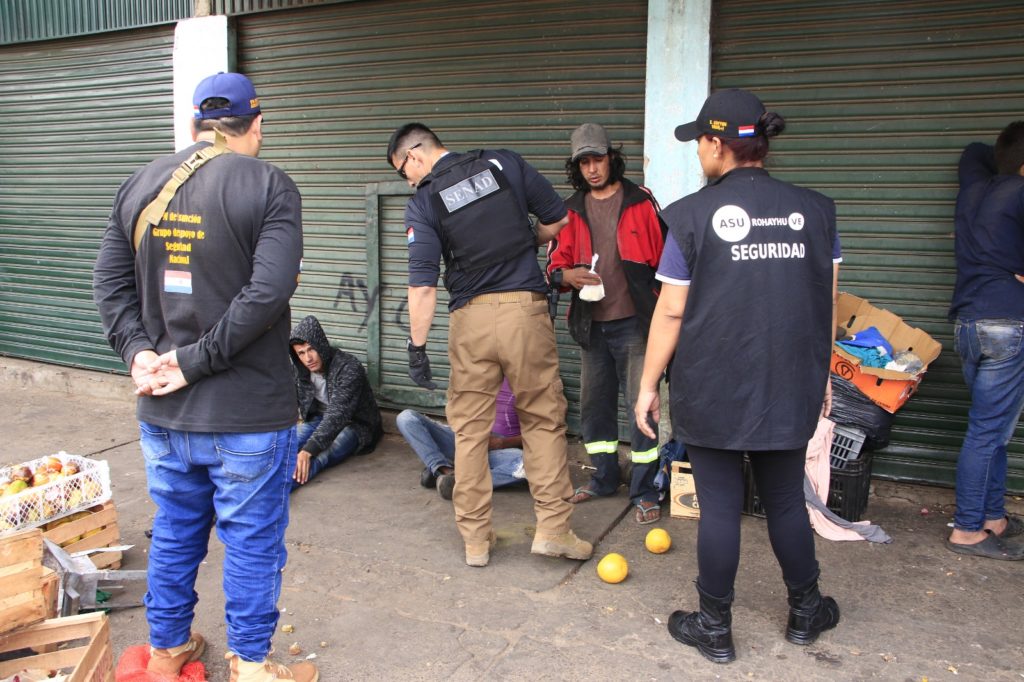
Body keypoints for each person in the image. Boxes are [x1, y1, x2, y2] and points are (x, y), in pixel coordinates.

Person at [93, 72, 317, 681]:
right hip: (247, 413)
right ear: (256, 124)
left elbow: (109, 285)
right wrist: (191, 362)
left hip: (162, 414)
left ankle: (166, 652)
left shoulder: (139, 184)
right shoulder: (270, 185)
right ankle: (249, 665)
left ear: (197, 125)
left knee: (173, 532)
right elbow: (268, 292)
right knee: (251, 544)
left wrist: (138, 352)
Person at [634, 89, 842, 664]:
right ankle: (806, 612)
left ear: (718, 144)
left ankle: (714, 628)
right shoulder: (816, 210)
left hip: (712, 383)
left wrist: (648, 385)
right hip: (789, 381)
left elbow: (671, 311)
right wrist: (820, 376)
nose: (699, 152)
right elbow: (825, 303)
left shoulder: (691, 215)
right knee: (784, 501)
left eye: (701, 141)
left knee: (721, 506)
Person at [386, 122, 593, 568]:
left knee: (470, 430)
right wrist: (525, 244)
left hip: (471, 320)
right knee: (542, 420)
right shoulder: (505, 162)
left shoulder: (424, 201)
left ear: (416, 156)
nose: (409, 181)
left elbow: (422, 286)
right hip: (525, 310)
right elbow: (556, 220)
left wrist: (416, 347)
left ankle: (477, 541)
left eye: (405, 171)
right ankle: (554, 529)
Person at [547, 122, 666, 524]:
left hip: (635, 324)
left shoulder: (641, 201)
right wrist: (567, 277)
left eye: (598, 159)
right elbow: (553, 266)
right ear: (576, 167)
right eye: (584, 163)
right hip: (591, 325)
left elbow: (669, 264)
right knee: (596, 408)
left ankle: (646, 489)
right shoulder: (569, 211)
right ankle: (603, 478)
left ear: (612, 158)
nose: (592, 169)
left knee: (642, 408)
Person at [945, 121, 1024, 561]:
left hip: (969, 326)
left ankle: (993, 517)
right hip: (1009, 324)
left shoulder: (975, 188)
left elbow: (973, 150)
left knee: (992, 431)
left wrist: (1005, 156)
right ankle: (969, 528)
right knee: (986, 431)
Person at [289, 315, 383, 491]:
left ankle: (277, 490)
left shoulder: (348, 367)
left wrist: (308, 450)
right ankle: (255, 487)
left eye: (311, 349)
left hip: (355, 425)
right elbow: (287, 401)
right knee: (286, 446)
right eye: (301, 353)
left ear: (321, 345)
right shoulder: (299, 369)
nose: (308, 358)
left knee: (320, 456)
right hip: (318, 419)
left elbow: (338, 414)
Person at [399, 379, 526, 500]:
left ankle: (455, 481)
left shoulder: (535, 386)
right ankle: (443, 469)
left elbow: (541, 434)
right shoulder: (483, 372)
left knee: (532, 464)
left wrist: (502, 443)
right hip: (464, 439)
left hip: (500, 449)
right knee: (407, 418)